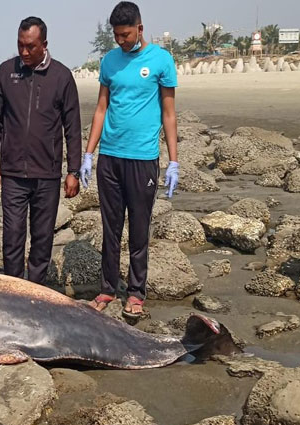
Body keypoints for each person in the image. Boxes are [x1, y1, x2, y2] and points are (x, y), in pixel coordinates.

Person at [81, 1, 179, 316]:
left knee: (138, 228)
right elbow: (101, 108)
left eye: (125, 34)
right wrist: (88, 153)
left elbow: (169, 114)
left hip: (143, 158)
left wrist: (173, 160)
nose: (121, 40)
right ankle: (108, 289)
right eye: (116, 35)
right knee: (111, 227)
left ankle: (136, 293)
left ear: (140, 28)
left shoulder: (162, 60)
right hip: (110, 157)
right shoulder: (109, 62)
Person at [0, 16, 82, 285]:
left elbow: (72, 126)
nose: (24, 52)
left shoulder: (61, 76)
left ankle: (36, 290)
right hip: (13, 173)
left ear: (44, 45)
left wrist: (73, 170)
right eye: (20, 45)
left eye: (30, 46)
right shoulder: (6, 72)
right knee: (12, 234)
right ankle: (14, 289)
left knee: (42, 237)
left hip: (47, 174)